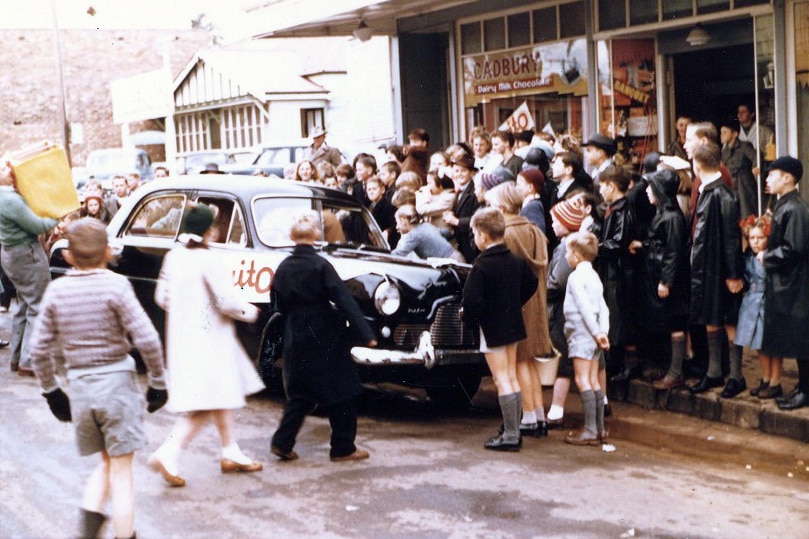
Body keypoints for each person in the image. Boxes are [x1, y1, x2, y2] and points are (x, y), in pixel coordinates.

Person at [28, 218, 168, 539]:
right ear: (109, 252)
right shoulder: (116, 286)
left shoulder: (58, 290)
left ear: (68, 257)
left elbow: (39, 349)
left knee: (106, 462)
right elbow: (147, 338)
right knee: (121, 470)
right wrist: (158, 382)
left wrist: (53, 392)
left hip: (80, 389)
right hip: (116, 386)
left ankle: (88, 530)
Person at [149, 204, 264, 487]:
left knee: (223, 394)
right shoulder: (211, 259)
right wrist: (251, 312)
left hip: (184, 340)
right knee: (206, 402)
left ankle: (231, 451)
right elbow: (226, 301)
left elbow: (161, 298)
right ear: (210, 231)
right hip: (212, 340)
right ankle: (169, 451)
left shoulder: (173, 257)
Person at [270, 211, 377, 462]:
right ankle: (343, 447)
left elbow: (276, 303)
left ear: (291, 236)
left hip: (295, 332)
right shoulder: (320, 265)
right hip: (324, 332)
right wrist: (365, 333)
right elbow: (342, 298)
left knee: (302, 393)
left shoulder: (283, 267)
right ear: (317, 235)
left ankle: (282, 441)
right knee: (344, 389)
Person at [462, 207, 537, 452]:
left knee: (501, 378)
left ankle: (511, 433)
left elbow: (472, 302)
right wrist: (513, 304)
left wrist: (470, 318)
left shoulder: (481, 266)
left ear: (483, 235)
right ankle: (512, 427)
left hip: (491, 327)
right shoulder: (515, 260)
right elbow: (531, 282)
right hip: (513, 323)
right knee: (511, 376)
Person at [484, 183, 554, 438]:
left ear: (502, 207)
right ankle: (537, 416)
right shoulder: (533, 229)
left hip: (516, 302)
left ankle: (528, 416)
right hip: (535, 300)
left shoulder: (507, 234)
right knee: (530, 362)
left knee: (519, 363)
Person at [688, 143, 744, 397]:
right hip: (706, 269)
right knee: (710, 318)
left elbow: (732, 238)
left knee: (729, 321)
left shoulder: (723, 194)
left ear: (697, 165)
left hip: (720, 269)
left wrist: (733, 274)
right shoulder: (707, 191)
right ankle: (713, 371)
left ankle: (736, 375)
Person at [629, 169, 690, 391]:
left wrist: (666, 280)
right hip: (660, 275)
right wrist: (643, 245)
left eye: (651, 188)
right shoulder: (664, 214)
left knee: (675, 322)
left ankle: (676, 371)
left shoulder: (671, 217)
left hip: (669, 279)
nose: (646, 191)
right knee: (669, 320)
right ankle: (671, 368)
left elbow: (673, 251)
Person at [758, 156, 809, 411]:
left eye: (772, 174)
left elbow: (794, 248)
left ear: (787, 178)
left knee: (802, 337)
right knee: (799, 337)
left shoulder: (794, 208)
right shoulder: (784, 205)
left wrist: (766, 256)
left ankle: (806, 390)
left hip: (796, 283)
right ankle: (803, 387)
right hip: (789, 282)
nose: (767, 179)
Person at [0, 162, 59, 375]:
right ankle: (29, 360)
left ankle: (17, 358)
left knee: (24, 305)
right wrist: (58, 216)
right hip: (28, 253)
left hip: (11, 254)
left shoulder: (5, 197)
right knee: (37, 305)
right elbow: (38, 226)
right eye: (5, 169)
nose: (10, 170)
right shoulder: (10, 200)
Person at [562, 231, 610, 446]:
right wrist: (602, 332)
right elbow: (603, 308)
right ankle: (599, 428)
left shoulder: (575, 277)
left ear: (576, 256)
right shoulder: (594, 276)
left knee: (583, 380)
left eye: (567, 253)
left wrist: (595, 332)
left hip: (582, 331)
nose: (565, 257)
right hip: (594, 332)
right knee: (593, 380)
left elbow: (583, 306)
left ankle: (590, 429)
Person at [597, 165, 639, 382]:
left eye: (603, 186)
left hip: (621, 273)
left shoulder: (622, 210)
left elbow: (618, 242)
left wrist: (596, 246)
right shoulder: (614, 208)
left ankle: (628, 365)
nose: (601, 191)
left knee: (622, 318)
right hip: (614, 272)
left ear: (612, 186)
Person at [735, 215, 781, 399]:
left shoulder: (770, 257)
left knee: (773, 345)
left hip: (769, 303)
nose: (755, 242)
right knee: (758, 344)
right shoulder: (748, 257)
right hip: (752, 303)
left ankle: (775, 381)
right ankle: (766, 377)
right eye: (752, 238)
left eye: (760, 238)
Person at [442, 151, 481, 263]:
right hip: (462, 242)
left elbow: (477, 219)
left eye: (463, 171)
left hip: (472, 244)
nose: (459, 174)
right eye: (457, 171)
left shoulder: (475, 192)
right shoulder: (459, 190)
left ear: (471, 173)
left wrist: (456, 221)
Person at [391, 205, 464, 262]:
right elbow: (446, 233)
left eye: (397, 223)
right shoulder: (427, 225)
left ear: (403, 221)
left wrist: (383, 255)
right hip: (457, 257)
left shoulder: (413, 235)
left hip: (449, 263)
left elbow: (398, 254)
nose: (397, 227)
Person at [720, 116, 760, 219]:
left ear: (735, 134)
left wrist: (755, 166)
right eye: (721, 132)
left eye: (725, 132)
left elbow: (757, 155)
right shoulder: (724, 152)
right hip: (731, 187)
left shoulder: (744, 146)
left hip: (744, 187)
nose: (722, 135)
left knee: (747, 216)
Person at [515, 168, 547, 234]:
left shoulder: (533, 206)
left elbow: (538, 232)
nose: (516, 188)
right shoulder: (529, 203)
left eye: (518, 184)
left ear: (530, 187)